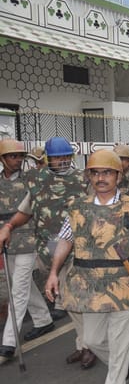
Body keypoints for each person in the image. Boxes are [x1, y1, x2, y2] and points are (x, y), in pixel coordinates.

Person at [45, 149, 129, 384]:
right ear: (89, 176)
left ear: (118, 176)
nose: (101, 178)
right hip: (90, 286)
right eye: (95, 173)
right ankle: (125, 358)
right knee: (93, 340)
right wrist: (53, 272)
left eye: (107, 172)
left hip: (124, 284)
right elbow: (65, 240)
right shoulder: (78, 207)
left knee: (118, 344)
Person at [0, 136, 96, 369]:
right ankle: (84, 343)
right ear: (49, 159)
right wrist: (9, 226)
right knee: (68, 301)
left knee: (76, 298)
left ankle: (90, 346)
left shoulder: (83, 179)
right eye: (57, 157)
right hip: (50, 251)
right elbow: (26, 210)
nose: (62, 161)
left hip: (79, 250)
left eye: (66, 157)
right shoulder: (38, 180)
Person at [0, 139, 54, 363]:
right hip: (7, 241)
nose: (18, 160)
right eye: (13, 156)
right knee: (22, 284)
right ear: (3, 159)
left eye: (20, 156)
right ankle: (43, 320)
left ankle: (8, 343)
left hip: (28, 240)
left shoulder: (31, 179)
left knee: (18, 292)